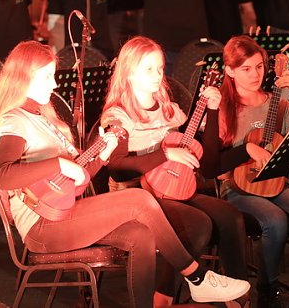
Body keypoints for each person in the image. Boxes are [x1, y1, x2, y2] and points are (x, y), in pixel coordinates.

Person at [0, 41, 250, 308]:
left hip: (64, 210)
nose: (54, 85)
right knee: (137, 200)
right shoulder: (15, 121)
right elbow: (4, 175)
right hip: (41, 226)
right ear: (23, 77)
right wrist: (60, 164)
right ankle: (197, 277)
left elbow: (74, 182)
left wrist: (103, 155)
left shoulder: (43, 117)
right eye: (48, 77)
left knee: (140, 234)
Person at [100, 36, 249, 306]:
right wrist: (165, 153)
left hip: (173, 188)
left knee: (230, 216)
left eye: (159, 68)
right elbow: (117, 168)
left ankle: (239, 297)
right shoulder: (118, 114)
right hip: (136, 194)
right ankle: (164, 296)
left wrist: (213, 112)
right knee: (197, 223)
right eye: (148, 69)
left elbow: (210, 166)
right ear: (129, 73)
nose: (158, 75)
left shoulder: (171, 111)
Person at [205, 35, 289, 306]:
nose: (255, 74)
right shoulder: (224, 107)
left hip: (274, 184)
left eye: (259, 67)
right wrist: (247, 150)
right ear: (229, 71)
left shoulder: (279, 102)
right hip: (238, 188)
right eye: (246, 69)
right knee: (274, 219)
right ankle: (268, 288)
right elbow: (211, 165)